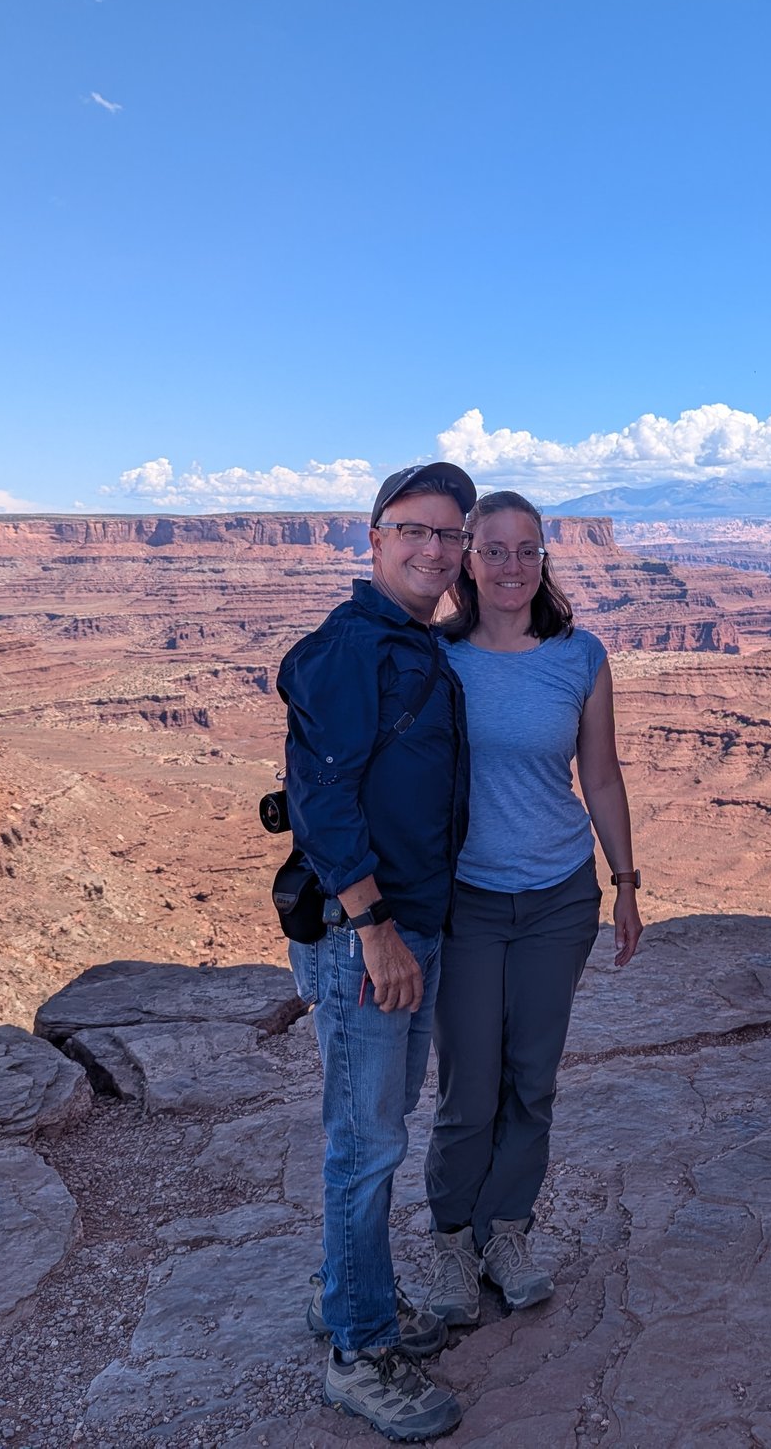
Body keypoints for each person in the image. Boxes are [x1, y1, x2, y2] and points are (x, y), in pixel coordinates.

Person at [276, 460, 477, 1443]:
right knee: (367, 1143)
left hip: (411, 928)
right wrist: (376, 930)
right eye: (415, 531)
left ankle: (341, 1291)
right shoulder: (350, 648)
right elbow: (320, 801)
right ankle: (357, 1351)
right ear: (373, 537)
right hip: (371, 940)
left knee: (377, 1125)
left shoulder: (412, 643)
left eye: (451, 535)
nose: (434, 551)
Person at [422, 489, 645, 1326]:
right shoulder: (436, 659)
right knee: (467, 1087)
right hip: (467, 902)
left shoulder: (580, 656)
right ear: (467, 559)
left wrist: (625, 881)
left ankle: (505, 1232)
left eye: (528, 550)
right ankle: (450, 1242)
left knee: (532, 1082)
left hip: (558, 897)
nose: (511, 566)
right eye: (494, 549)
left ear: (544, 560)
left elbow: (603, 774)